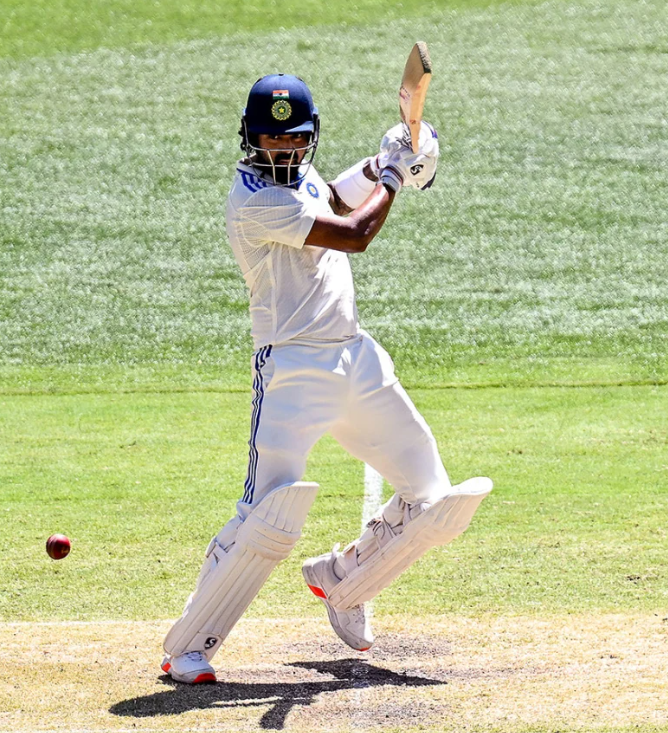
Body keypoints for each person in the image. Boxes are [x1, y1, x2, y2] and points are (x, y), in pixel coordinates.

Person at [160, 73, 492, 684]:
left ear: (309, 138)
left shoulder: (297, 177)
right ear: (249, 139)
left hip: (355, 358)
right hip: (292, 369)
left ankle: (343, 577)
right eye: (270, 139)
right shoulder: (256, 200)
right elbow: (355, 233)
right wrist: (393, 175)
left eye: (294, 140)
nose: (283, 151)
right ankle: (188, 645)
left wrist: (377, 162)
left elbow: (335, 198)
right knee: (268, 516)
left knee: (434, 500)